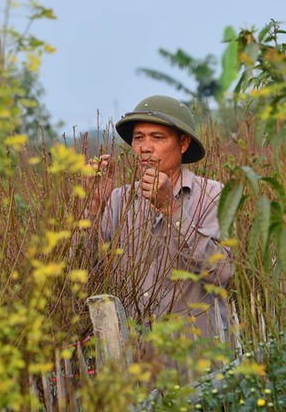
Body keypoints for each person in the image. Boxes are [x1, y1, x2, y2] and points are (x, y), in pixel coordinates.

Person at [87, 95, 233, 341]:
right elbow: (89, 271)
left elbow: (222, 273)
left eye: (158, 138)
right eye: (138, 138)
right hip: (137, 357)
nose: (145, 147)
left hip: (196, 355)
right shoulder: (119, 199)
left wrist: (171, 209)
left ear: (183, 143)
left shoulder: (213, 195)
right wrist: (93, 207)